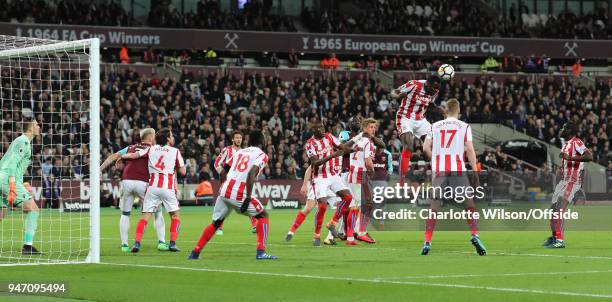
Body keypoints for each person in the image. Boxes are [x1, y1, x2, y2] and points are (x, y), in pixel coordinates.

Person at [189, 130, 277, 260]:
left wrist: (224, 187)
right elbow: (252, 173)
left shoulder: (239, 152)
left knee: (216, 223)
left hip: (225, 190)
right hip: (239, 192)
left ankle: (195, 253)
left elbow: (223, 171)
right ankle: (261, 252)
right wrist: (247, 197)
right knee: (263, 215)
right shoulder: (261, 155)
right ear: (261, 142)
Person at [421, 99, 486, 256]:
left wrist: (435, 160)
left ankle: (427, 242)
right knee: (469, 203)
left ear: (445, 111)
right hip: (457, 169)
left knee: (434, 207)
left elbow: (425, 148)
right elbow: (469, 149)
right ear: (458, 110)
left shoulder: (434, 126)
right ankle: (474, 234)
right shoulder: (464, 126)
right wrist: (475, 171)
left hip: (440, 170)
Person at [99, 128, 169, 252]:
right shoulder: (154, 149)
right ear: (151, 138)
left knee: (125, 213)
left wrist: (100, 169)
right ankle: (162, 242)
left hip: (127, 181)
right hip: (143, 182)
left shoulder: (130, 147)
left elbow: (114, 156)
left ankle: (124, 245)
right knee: (157, 212)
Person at [122, 128, 187, 253]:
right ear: (168, 138)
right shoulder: (175, 151)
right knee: (175, 216)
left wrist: (121, 157)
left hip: (152, 188)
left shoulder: (151, 149)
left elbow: (134, 155)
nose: (173, 138)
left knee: (145, 216)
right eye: (172, 135)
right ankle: (172, 243)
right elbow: (183, 171)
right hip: (167, 188)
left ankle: (137, 243)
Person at [304, 119, 363, 246]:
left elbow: (344, 148)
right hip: (325, 178)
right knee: (322, 206)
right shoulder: (314, 146)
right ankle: (319, 235)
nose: (322, 130)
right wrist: (334, 155)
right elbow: (313, 164)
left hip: (334, 177)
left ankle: (333, 227)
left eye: (323, 127)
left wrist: (354, 149)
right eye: (319, 128)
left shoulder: (333, 142)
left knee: (346, 201)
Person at [543, 121, 592, 248]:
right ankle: (555, 237)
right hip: (564, 181)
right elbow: (566, 162)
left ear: (569, 131)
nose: (561, 130)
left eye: (563, 128)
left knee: (559, 209)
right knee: (553, 210)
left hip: (572, 181)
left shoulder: (577, 142)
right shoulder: (566, 145)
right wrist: (561, 169)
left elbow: (589, 156)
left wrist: (571, 159)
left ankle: (560, 241)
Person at [390, 75, 442, 184]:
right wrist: (396, 96)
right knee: (409, 146)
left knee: (436, 143)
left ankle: (437, 172)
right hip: (405, 117)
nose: (434, 91)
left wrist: (441, 111)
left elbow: (430, 105)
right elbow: (395, 91)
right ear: (427, 85)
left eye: (436, 89)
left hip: (421, 120)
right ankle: (402, 179)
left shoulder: (435, 91)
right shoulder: (414, 84)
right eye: (433, 89)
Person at [0, 117, 42, 254]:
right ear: (30, 128)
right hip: (7, 179)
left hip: (2, 177)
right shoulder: (23, 141)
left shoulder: (18, 141)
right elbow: (12, 163)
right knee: (33, 209)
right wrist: (12, 184)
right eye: (36, 124)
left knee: (1, 214)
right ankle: (27, 246)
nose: (39, 126)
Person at [213, 130, 257, 235]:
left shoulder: (245, 152)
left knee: (248, 202)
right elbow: (217, 162)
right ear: (233, 139)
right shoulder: (226, 150)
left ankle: (255, 225)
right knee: (224, 205)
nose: (238, 140)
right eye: (236, 138)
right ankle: (219, 227)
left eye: (240, 138)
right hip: (228, 182)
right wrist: (222, 173)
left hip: (240, 182)